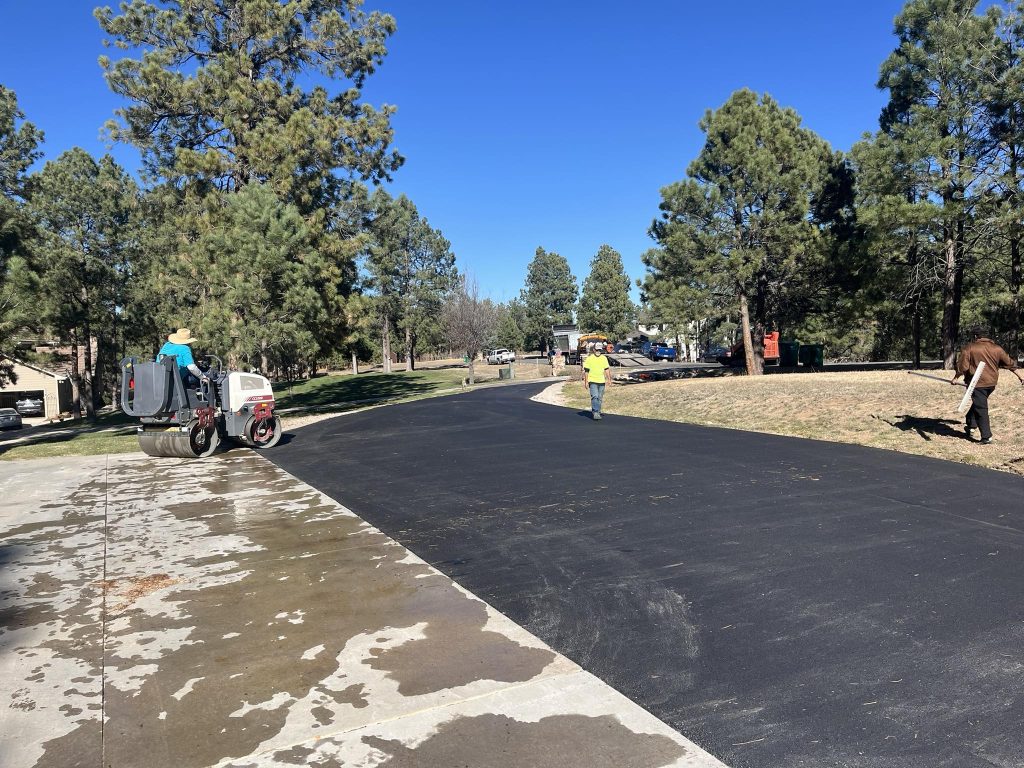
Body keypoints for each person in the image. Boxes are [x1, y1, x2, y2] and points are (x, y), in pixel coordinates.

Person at [951, 328, 1024, 444]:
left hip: (977, 384)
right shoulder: (997, 348)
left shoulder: (970, 347)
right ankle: (971, 425)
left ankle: (986, 436)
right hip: (991, 383)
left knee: (981, 408)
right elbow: (1010, 364)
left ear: (976, 336)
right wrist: (1020, 376)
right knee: (979, 403)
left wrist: (955, 378)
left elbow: (963, 367)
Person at [582, 342, 612, 420]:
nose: (598, 351)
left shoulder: (604, 358)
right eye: (597, 349)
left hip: (601, 381)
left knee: (600, 398)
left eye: (600, 350)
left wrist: (609, 380)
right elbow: (586, 371)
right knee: (594, 396)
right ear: (594, 350)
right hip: (592, 380)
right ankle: (595, 412)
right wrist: (585, 382)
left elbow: (607, 369)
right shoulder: (589, 358)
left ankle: (597, 410)